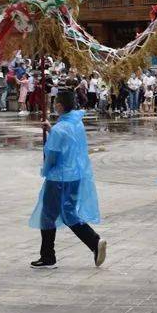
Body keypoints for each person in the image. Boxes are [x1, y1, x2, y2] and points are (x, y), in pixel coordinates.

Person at [29, 89, 106, 269]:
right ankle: (93, 243)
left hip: (58, 178)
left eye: (55, 103)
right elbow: (67, 141)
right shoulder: (75, 123)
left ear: (59, 106)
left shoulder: (60, 129)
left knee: (48, 215)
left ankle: (49, 256)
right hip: (74, 176)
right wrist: (51, 130)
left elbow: (53, 156)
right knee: (68, 212)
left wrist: (45, 170)